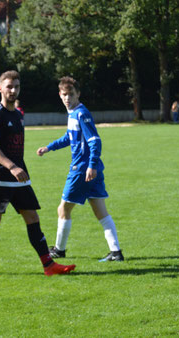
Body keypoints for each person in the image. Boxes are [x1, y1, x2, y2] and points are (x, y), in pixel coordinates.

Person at [0, 70, 76, 277]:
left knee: (32, 217)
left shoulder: (18, 114)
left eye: (16, 87)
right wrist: (12, 167)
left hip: (19, 177)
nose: (13, 90)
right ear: (0, 88)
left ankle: (49, 265)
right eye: (9, 86)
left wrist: (18, 169)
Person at [37, 76, 124, 262]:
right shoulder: (73, 113)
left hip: (82, 170)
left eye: (71, 94)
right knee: (101, 211)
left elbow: (95, 141)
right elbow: (69, 138)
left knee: (63, 209)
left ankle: (59, 250)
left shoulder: (81, 114)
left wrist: (91, 165)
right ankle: (116, 252)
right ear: (59, 95)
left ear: (78, 94)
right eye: (64, 94)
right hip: (90, 170)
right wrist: (49, 148)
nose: (67, 98)